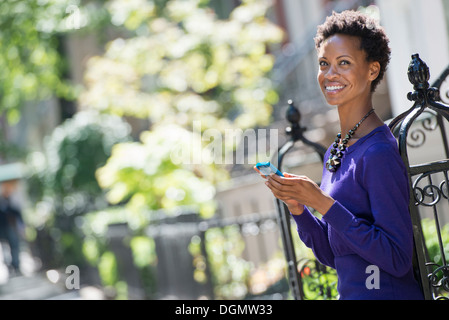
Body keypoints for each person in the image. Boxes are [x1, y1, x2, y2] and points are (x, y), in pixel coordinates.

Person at [260, 10, 424, 300]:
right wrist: (300, 208)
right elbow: (334, 255)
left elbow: (398, 258)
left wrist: (322, 202)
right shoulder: (337, 150)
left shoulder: (378, 152)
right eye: (324, 64)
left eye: (343, 63)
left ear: (372, 70)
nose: (329, 74)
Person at [0, 179, 24, 276]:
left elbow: (17, 213)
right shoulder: (2, 202)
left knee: (14, 246)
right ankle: (9, 265)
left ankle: (16, 265)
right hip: (2, 228)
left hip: (10, 227)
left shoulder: (11, 201)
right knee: (5, 247)